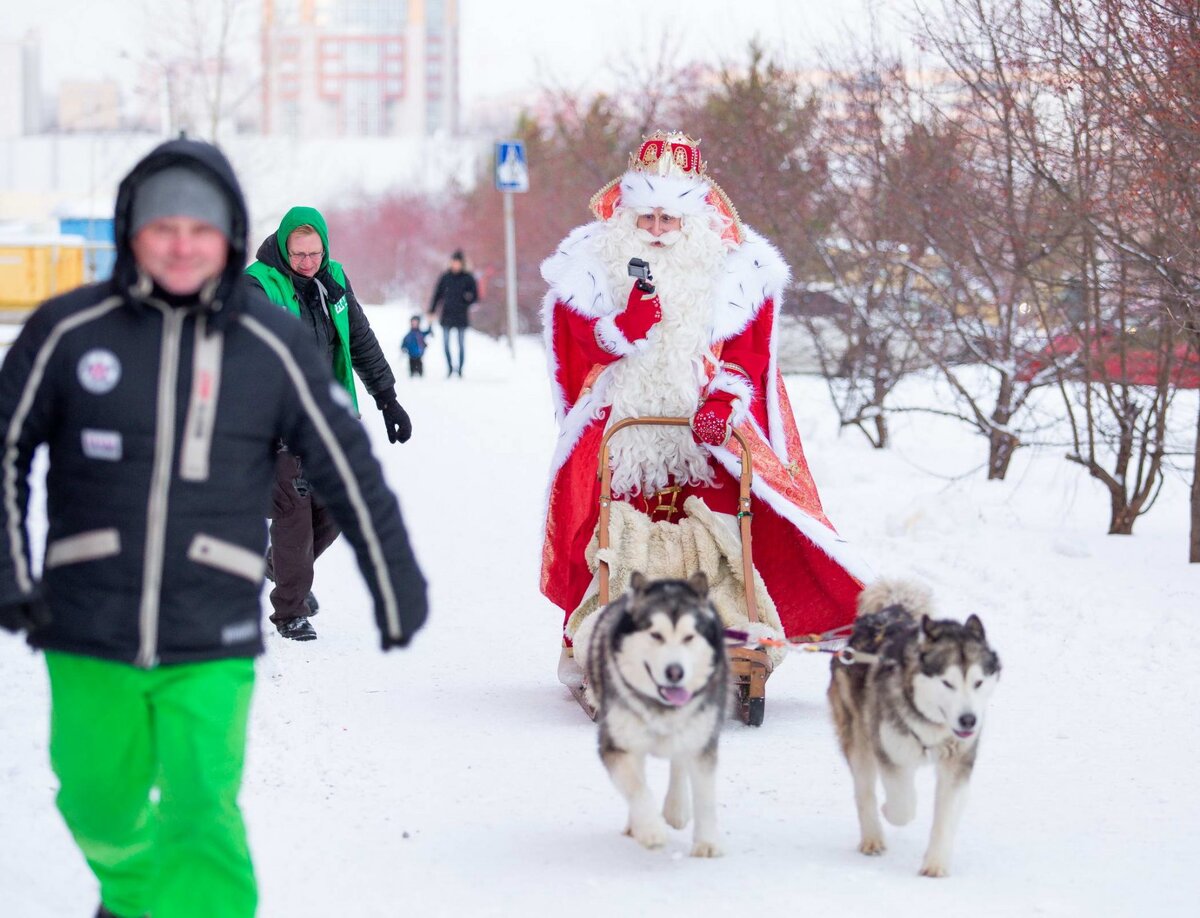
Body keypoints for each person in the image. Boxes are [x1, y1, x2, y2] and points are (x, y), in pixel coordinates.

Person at [0, 138, 427, 918]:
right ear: (131, 230)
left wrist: (394, 574)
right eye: (164, 226)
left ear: (227, 238)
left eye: (202, 229)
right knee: (97, 800)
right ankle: (133, 895)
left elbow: (346, 455)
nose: (182, 244)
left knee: (203, 810)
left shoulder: (265, 342)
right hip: (87, 620)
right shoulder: (69, 331)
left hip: (212, 627)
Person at [539, 131, 872, 680]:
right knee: (606, 532)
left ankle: (726, 632)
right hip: (623, 429)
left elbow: (748, 354)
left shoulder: (735, 267)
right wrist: (624, 328)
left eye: (668, 221)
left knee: (722, 532)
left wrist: (724, 398)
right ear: (627, 214)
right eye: (646, 219)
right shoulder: (594, 261)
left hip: (702, 435)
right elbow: (578, 339)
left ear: (691, 219)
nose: (657, 232)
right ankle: (595, 633)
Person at [246, 206, 411, 641]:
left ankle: (279, 568)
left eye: (314, 253)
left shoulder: (333, 280)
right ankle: (290, 610)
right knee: (293, 510)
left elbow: (359, 339)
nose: (307, 263)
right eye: (298, 254)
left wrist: (387, 399)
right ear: (283, 248)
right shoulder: (258, 285)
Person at [427, 249, 478, 377]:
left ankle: (460, 369)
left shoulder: (468, 278)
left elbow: (475, 296)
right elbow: (437, 294)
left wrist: (467, 301)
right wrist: (431, 310)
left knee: (460, 344)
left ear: (462, 263)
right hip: (447, 315)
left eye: (457, 263)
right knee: (445, 343)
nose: (455, 265)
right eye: (453, 262)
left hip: (461, 315)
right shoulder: (445, 277)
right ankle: (450, 368)